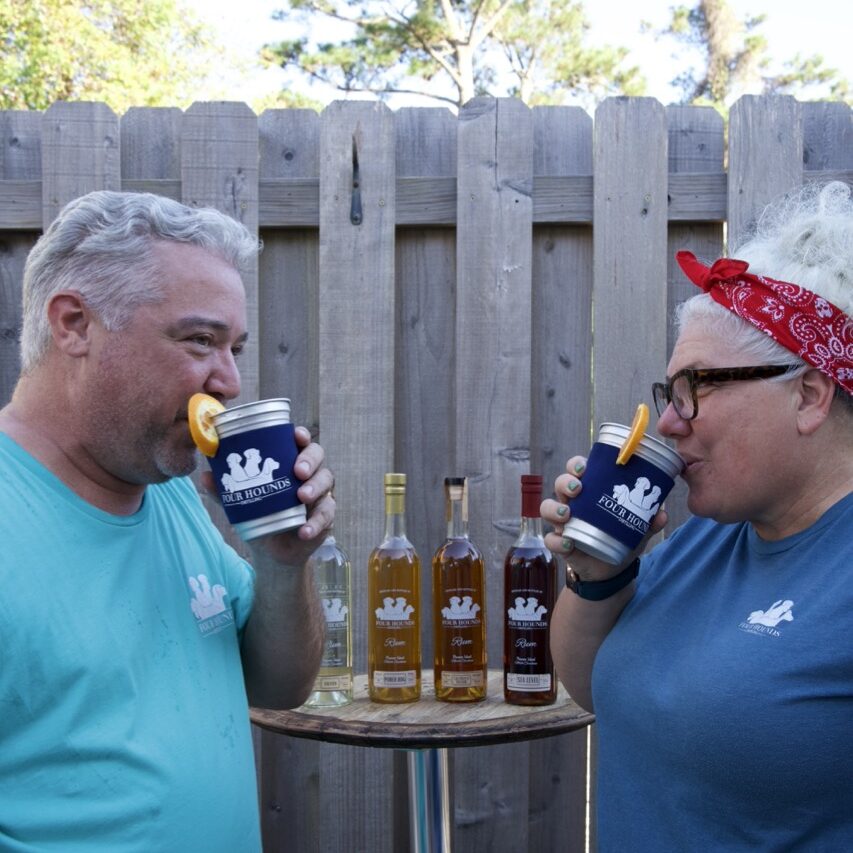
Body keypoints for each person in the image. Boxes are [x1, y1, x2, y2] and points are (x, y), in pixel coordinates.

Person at [0, 191, 335, 851]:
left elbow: (278, 684)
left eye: (234, 347)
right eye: (200, 340)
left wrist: (279, 560)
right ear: (75, 324)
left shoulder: (168, 488)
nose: (230, 380)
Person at [542, 181, 853, 851]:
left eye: (697, 387)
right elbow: (594, 685)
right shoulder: (708, 538)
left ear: (807, 393)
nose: (669, 421)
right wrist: (598, 575)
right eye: (669, 391)